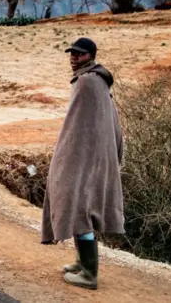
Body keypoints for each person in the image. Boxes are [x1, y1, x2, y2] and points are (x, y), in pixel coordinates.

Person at [41, 37, 125, 290]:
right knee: (80, 205)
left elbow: (78, 129)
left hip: (84, 158)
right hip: (96, 157)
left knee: (78, 203)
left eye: (79, 54)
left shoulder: (88, 82)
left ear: (90, 56)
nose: (73, 57)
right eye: (72, 53)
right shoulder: (96, 80)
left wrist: (66, 156)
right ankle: (81, 262)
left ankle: (89, 273)